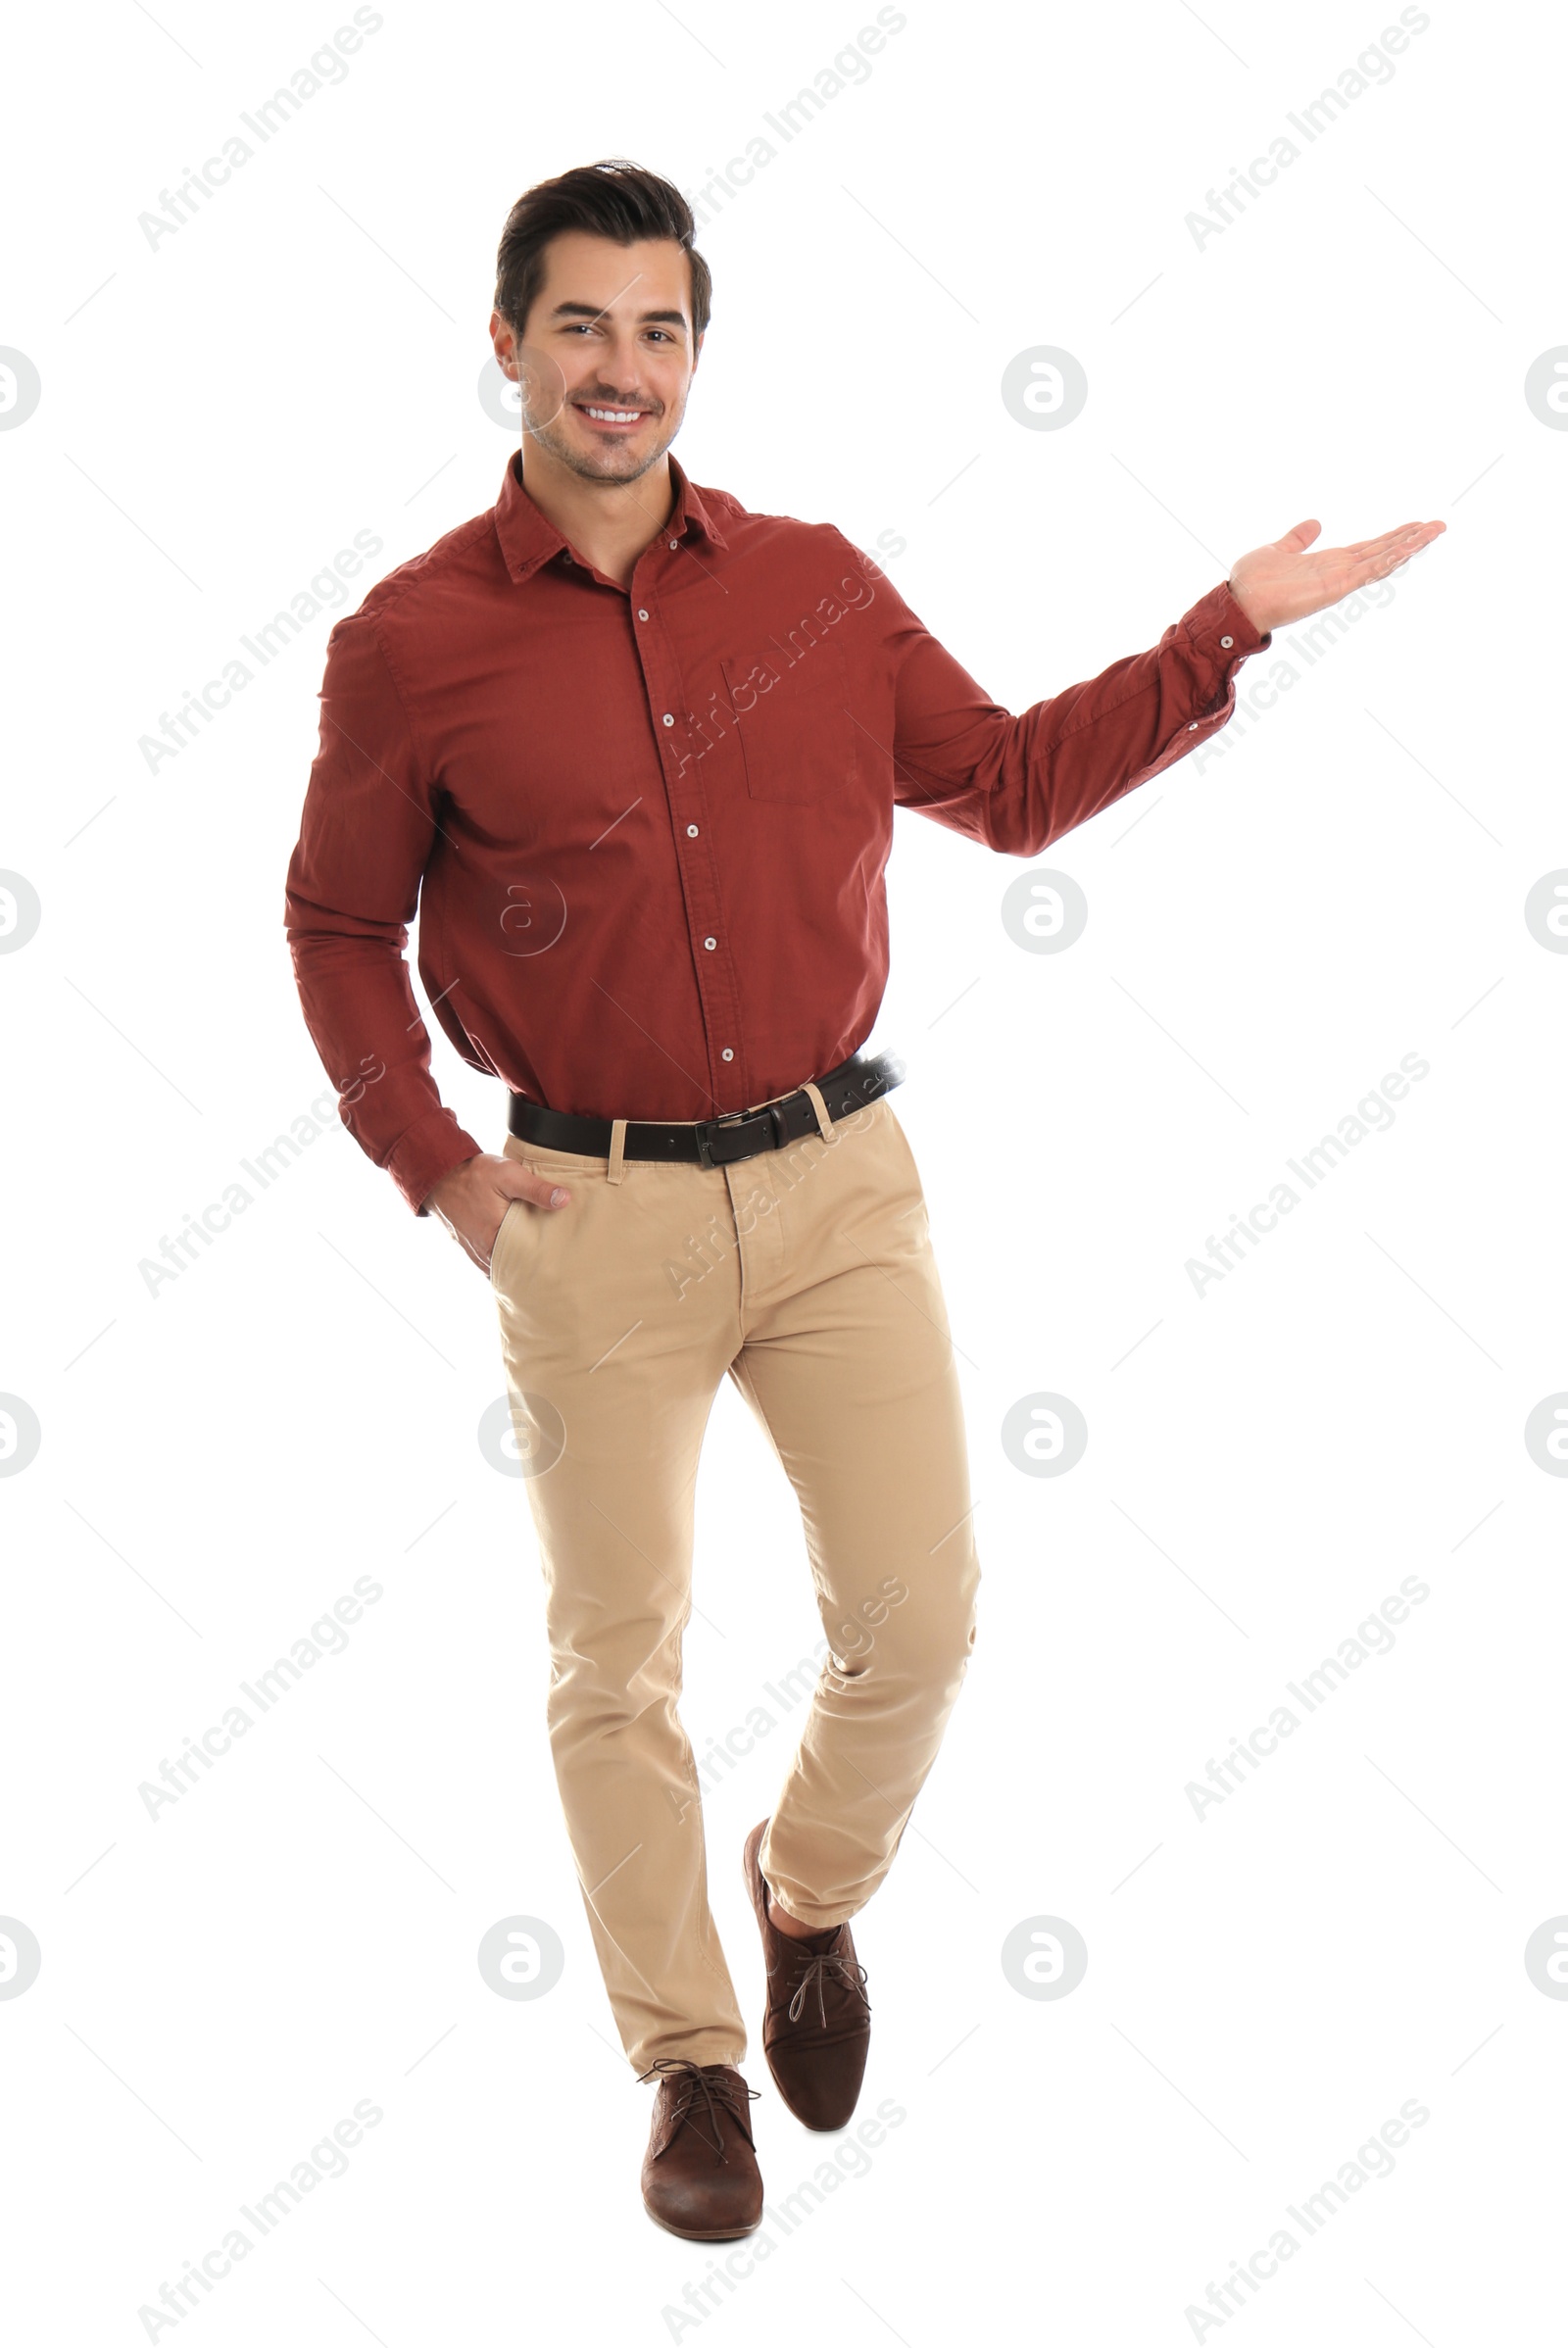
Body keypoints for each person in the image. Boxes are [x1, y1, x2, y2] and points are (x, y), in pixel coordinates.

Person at [283, 157, 1445, 2238]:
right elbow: (332, 923)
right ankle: (690, 2063)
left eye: (656, 330)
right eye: (579, 327)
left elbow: (1002, 785)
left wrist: (1219, 634)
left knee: (924, 1616)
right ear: (506, 347)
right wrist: (435, 1171)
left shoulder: (812, 590)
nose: (620, 371)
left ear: (693, 354)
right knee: (612, 1661)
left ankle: (805, 1893)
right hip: (589, 1212)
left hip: (836, 1183)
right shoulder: (412, 646)